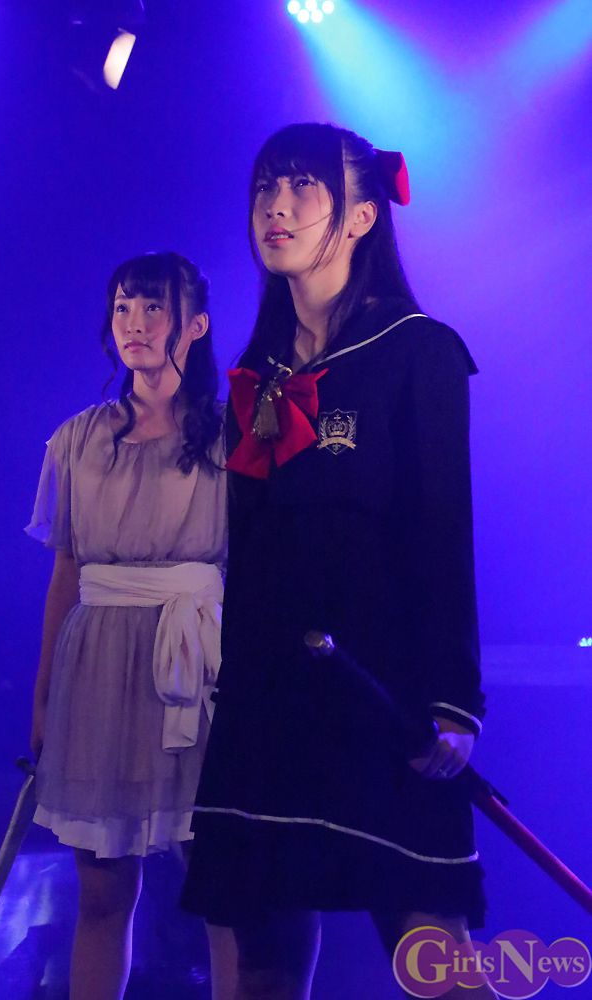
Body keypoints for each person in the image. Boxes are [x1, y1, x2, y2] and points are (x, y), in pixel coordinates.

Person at [181, 123, 496, 999]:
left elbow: (444, 534)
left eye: (302, 187)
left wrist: (452, 700)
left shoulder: (418, 352)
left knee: (432, 951)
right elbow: (249, 550)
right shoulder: (257, 373)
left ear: (360, 216)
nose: (275, 207)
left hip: (381, 695)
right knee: (263, 961)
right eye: (264, 187)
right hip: (267, 703)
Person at [26, 252, 235, 1000]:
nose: (135, 324)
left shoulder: (229, 435)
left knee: (221, 885)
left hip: (195, 661)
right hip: (98, 668)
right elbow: (66, 574)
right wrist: (43, 698)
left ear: (194, 325)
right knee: (102, 889)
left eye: (153, 308)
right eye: (123, 307)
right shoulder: (78, 439)